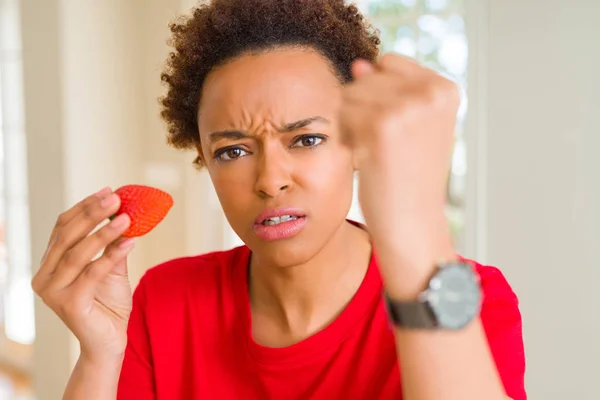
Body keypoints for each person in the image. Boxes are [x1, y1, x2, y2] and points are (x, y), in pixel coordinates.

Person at [31, 1, 526, 399]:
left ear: (358, 143)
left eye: (306, 139)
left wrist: (415, 228)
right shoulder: (165, 301)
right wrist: (99, 354)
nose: (269, 181)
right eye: (233, 150)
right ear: (203, 158)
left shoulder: (469, 299)